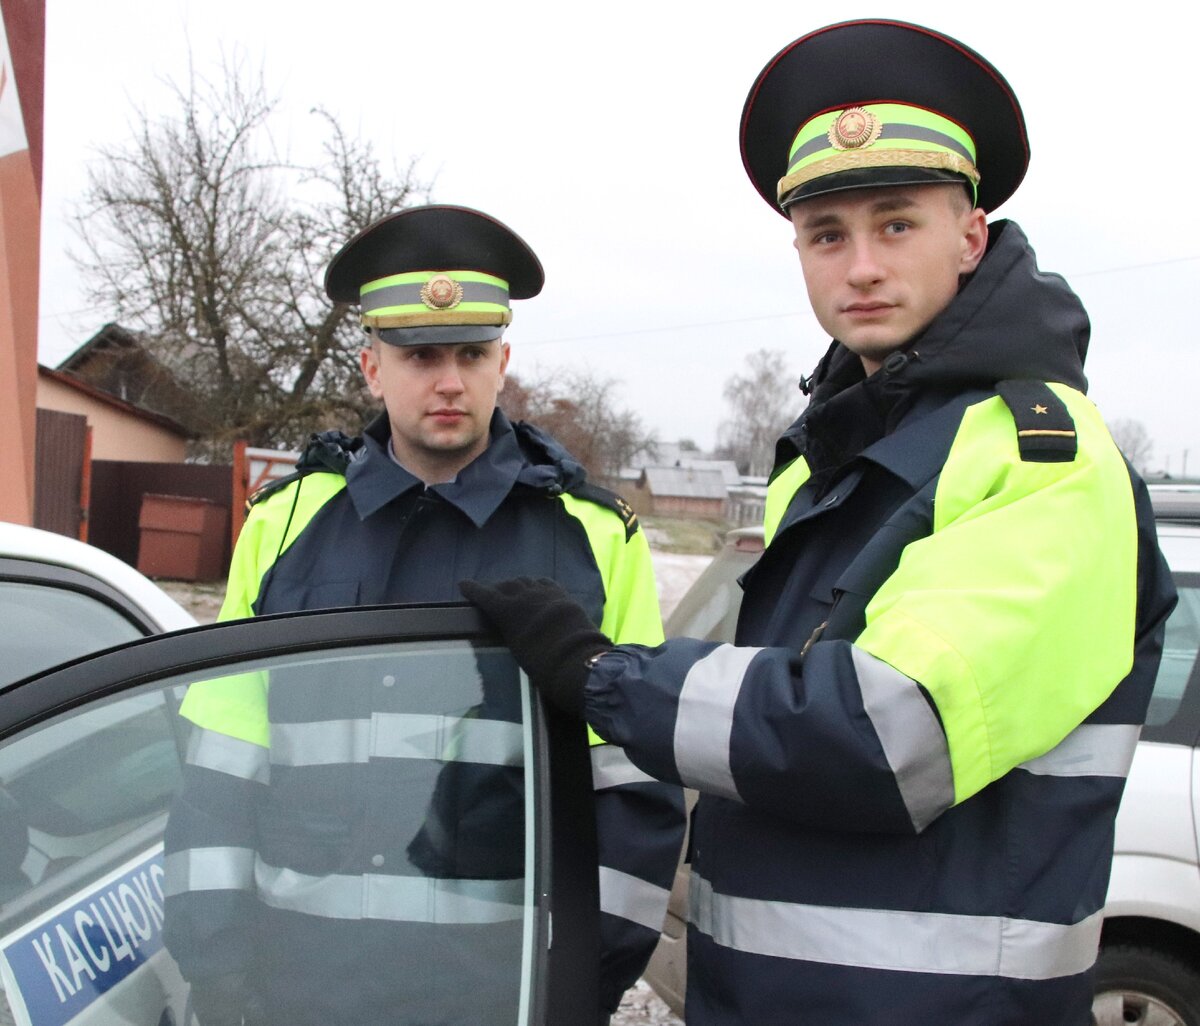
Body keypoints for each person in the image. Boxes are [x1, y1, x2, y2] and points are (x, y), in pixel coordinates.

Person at [460, 21, 1178, 1025]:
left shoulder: (1039, 459)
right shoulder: (844, 455)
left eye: (897, 224)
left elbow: (889, 736)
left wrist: (603, 675)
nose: (861, 268)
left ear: (970, 235)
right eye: (827, 235)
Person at [161, 204, 685, 1024]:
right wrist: (221, 974)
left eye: (472, 354)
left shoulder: (591, 536)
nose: (449, 380)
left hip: (501, 996)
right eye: (420, 356)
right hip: (300, 992)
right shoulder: (284, 525)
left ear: (502, 361)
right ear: (372, 366)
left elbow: (631, 786)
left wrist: (584, 982)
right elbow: (221, 770)